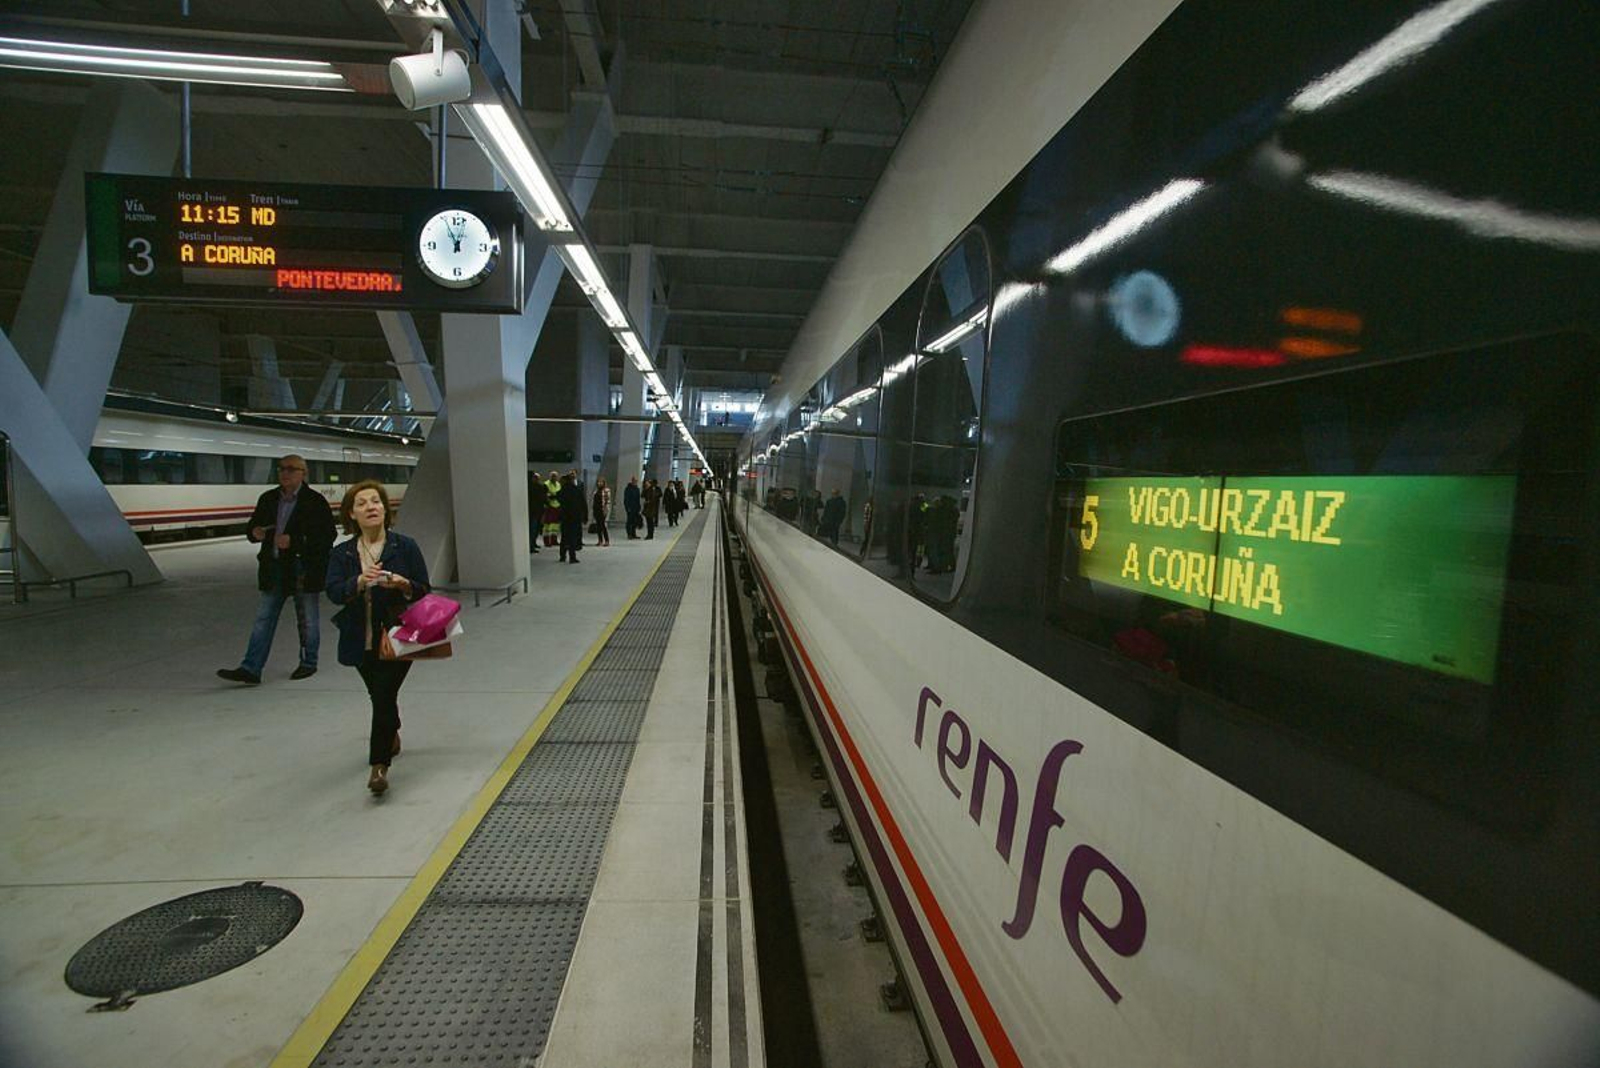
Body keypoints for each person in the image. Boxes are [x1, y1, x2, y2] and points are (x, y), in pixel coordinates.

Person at [325, 480, 430, 796]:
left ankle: (379, 766)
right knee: (380, 695)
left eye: (376, 501)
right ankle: (392, 730)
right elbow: (332, 592)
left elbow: (423, 588)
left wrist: (403, 583)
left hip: (400, 635)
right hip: (360, 638)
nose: (370, 507)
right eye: (362, 503)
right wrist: (357, 582)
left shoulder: (405, 546)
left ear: (385, 509)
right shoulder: (342, 554)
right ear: (352, 515)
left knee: (383, 694)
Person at [218, 454, 336, 685]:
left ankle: (308, 662)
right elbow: (253, 527)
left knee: (307, 620)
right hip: (274, 568)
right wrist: (255, 533)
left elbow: (326, 537)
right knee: (264, 618)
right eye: (281, 468)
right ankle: (251, 668)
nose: (285, 473)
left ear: (303, 473)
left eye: (291, 469)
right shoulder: (268, 499)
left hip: (302, 569)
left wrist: (295, 541)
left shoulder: (315, 501)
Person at [558, 472, 587, 563]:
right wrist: (585, 515)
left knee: (564, 537)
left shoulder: (562, 491)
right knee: (572, 537)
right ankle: (572, 556)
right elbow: (583, 503)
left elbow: (559, 501)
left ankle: (562, 556)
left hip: (565, 517)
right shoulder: (576, 490)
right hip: (575, 517)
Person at [526, 470, 547, 554]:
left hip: (533, 511)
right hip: (536, 511)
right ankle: (531, 545)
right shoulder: (538, 487)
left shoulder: (527, 487)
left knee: (534, 529)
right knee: (533, 529)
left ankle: (532, 544)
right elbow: (542, 498)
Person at [541, 470, 562, 548]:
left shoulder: (558, 484)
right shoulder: (546, 484)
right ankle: (546, 541)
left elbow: (560, 494)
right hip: (549, 506)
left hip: (557, 505)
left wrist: (554, 496)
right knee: (547, 524)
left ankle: (554, 540)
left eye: (555, 476)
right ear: (550, 477)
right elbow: (545, 496)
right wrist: (550, 499)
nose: (554, 477)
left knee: (556, 525)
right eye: (552, 476)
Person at [592, 476, 612, 546]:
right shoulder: (596, 491)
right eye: (598, 482)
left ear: (603, 483)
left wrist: (606, 510)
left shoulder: (606, 490)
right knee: (598, 526)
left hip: (603, 509)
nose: (599, 483)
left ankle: (607, 540)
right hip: (596, 509)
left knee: (603, 525)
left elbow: (608, 501)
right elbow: (594, 502)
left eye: (601, 482)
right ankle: (600, 540)